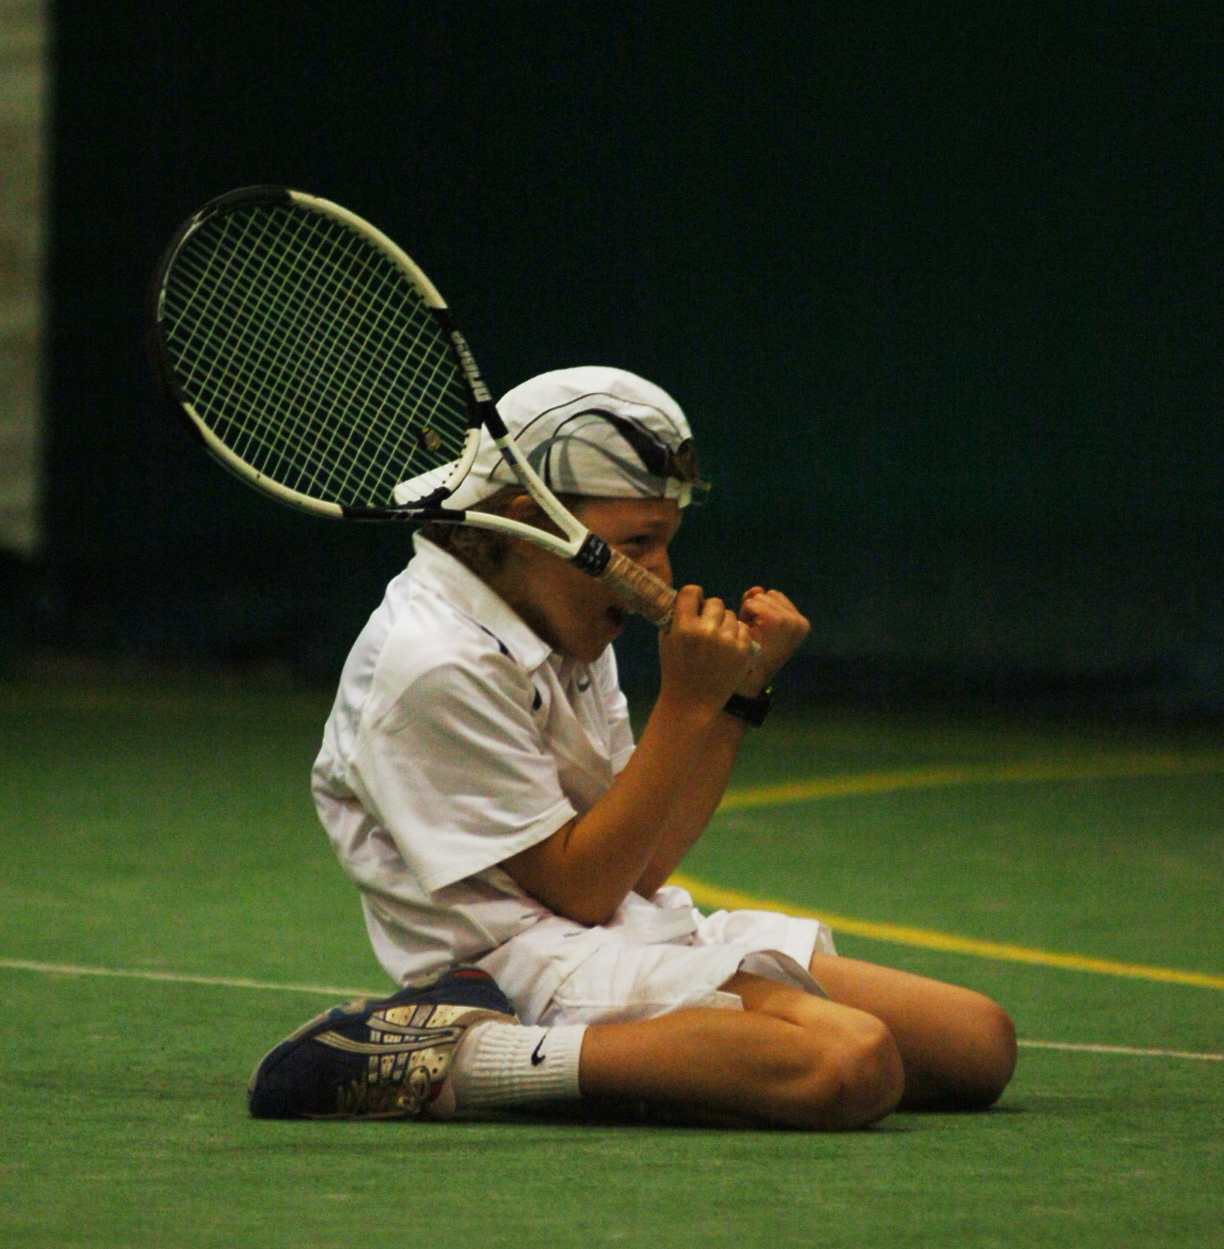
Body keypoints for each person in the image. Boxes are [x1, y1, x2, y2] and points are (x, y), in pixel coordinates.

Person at [249, 367, 1016, 1129]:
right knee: (848, 1063)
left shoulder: (564, 615)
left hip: (615, 929)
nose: (660, 576)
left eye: (666, 542)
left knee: (978, 1045)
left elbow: (638, 869)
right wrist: (685, 704)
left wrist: (734, 698)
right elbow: (579, 891)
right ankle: (460, 1058)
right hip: (519, 975)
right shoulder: (433, 661)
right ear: (529, 521)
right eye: (636, 543)